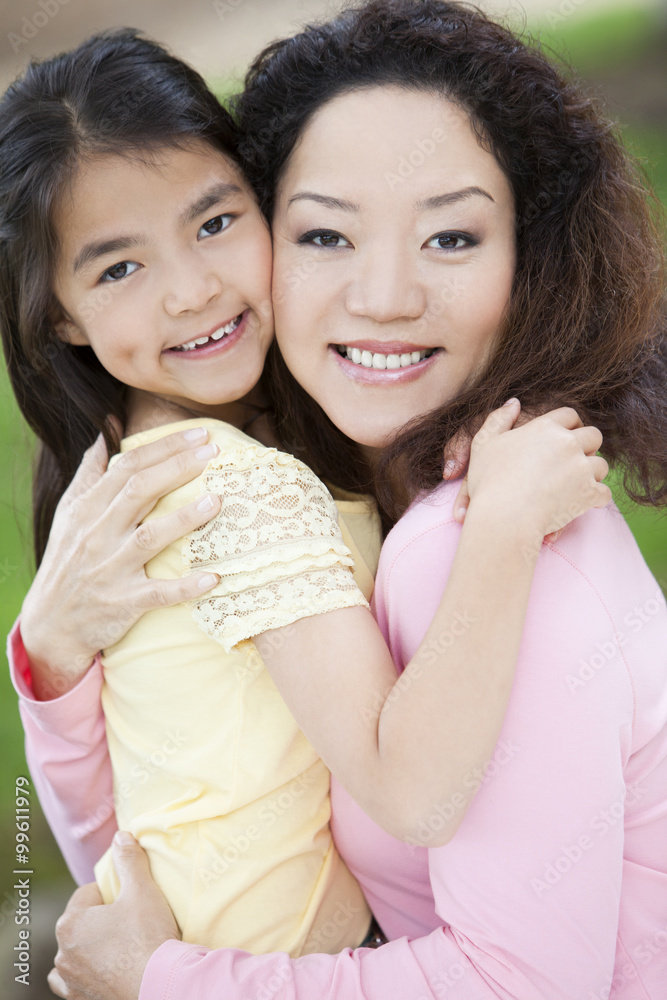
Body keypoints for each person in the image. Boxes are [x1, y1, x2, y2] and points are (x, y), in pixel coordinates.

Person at [8, 1, 667, 997]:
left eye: (450, 237)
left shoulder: (475, 532)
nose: (385, 294)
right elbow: (162, 834)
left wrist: (164, 979)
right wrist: (52, 659)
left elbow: (523, 980)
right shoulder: (258, 487)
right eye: (325, 235)